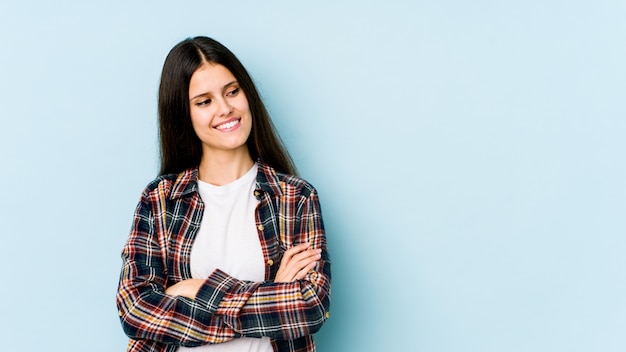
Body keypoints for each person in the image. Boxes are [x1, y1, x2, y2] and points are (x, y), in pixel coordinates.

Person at [116, 36, 331, 352]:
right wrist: (273, 293)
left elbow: (309, 307)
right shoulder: (160, 200)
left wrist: (197, 288)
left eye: (232, 92)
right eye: (204, 101)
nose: (226, 108)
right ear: (183, 114)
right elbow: (135, 310)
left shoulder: (295, 198)